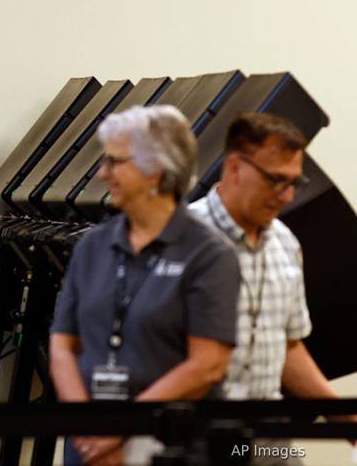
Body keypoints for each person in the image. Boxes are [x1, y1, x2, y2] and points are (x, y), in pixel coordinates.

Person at [48, 105, 240, 466]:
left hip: (166, 447)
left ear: (155, 171)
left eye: (115, 162)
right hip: (88, 448)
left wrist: (119, 429)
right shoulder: (93, 246)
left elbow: (207, 366)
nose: (103, 173)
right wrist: (87, 429)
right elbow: (63, 345)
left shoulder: (210, 255)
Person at [188, 113, 356, 464]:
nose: (287, 196)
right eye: (276, 181)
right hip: (193, 434)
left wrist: (345, 418)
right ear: (235, 168)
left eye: (295, 182)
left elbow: (288, 346)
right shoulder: (178, 240)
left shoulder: (284, 243)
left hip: (266, 434)